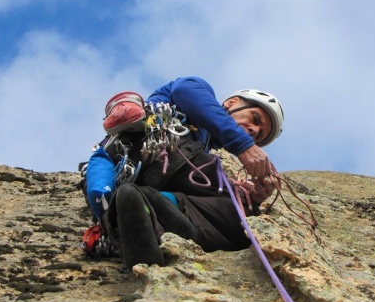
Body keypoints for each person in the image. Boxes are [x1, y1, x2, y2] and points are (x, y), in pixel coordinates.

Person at [83, 76, 284, 270]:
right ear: (233, 102)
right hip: (160, 149)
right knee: (243, 212)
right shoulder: (195, 89)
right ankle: (146, 211)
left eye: (257, 135)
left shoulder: (203, 143)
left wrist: (255, 198)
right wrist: (242, 144)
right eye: (254, 118)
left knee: (240, 222)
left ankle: (145, 211)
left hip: (140, 178)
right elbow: (184, 91)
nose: (253, 130)